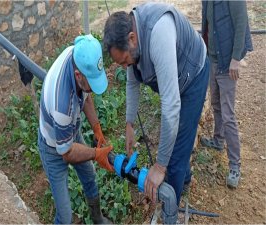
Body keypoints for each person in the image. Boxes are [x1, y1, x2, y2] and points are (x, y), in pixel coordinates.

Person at [103, 2, 210, 206]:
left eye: (125, 60)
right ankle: (185, 177)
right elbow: (132, 80)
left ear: (132, 39)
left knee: (174, 158)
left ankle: (170, 209)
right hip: (176, 75)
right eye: (121, 63)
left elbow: (171, 108)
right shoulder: (131, 38)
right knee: (177, 140)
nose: (125, 66)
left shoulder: (159, 33)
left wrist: (160, 167)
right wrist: (129, 124)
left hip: (193, 75)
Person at [38, 34, 113, 224]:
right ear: (78, 76)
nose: (92, 89)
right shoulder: (62, 104)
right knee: (65, 216)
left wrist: (96, 127)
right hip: (54, 148)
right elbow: (67, 152)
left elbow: (86, 95)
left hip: (71, 132)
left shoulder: (79, 56)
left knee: (89, 177)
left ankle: (97, 218)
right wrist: (97, 153)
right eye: (91, 83)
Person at [200, 1, 253, 188]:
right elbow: (205, 24)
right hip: (212, 59)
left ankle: (234, 165)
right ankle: (218, 140)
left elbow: (241, 24)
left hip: (227, 61)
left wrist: (236, 58)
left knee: (228, 114)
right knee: (215, 103)